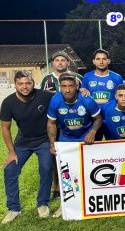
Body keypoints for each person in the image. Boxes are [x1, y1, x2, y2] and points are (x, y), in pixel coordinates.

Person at [0, 70, 54, 224]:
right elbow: (5, 128)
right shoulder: (8, 102)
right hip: (23, 142)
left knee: (46, 168)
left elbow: (65, 93)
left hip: (44, 140)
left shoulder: (45, 96)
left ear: (33, 83)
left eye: (28, 83)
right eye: (20, 83)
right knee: (10, 170)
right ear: (15, 84)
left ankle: (42, 204)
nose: (25, 86)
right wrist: (11, 152)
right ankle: (13, 208)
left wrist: (81, 89)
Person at [47, 72, 102, 217]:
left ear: (77, 86)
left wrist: (93, 131)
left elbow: (98, 118)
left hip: (86, 139)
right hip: (66, 139)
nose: (67, 90)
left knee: (89, 170)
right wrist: (53, 144)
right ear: (60, 87)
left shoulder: (87, 100)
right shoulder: (55, 100)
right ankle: (65, 204)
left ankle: (91, 201)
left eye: (70, 86)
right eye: (64, 86)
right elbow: (51, 123)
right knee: (67, 173)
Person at [41, 50, 83, 199]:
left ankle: (80, 183)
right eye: (57, 60)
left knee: (79, 155)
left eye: (63, 60)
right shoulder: (47, 79)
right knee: (55, 156)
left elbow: (84, 95)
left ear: (68, 62)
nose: (60, 62)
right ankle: (57, 186)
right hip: (55, 123)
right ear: (53, 63)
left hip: (75, 123)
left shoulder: (78, 78)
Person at [82, 49, 124, 140]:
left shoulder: (117, 77)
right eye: (98, 59)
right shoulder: (87, 77)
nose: (101, 61)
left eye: (104, 59)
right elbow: (83, 96)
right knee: (93, 145)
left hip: (112, 117)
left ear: (108, 61)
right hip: (93, 118)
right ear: (94, 61)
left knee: (115, 145)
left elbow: (122, 97)